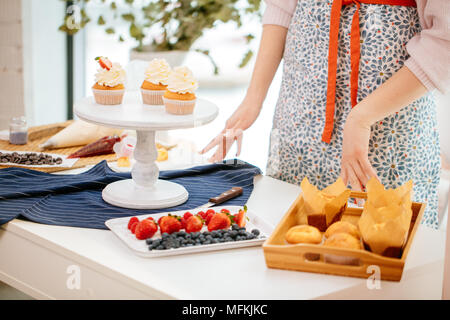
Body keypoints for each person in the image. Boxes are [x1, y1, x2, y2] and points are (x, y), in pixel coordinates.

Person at [201, 0, 450, 228]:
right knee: (291, 246)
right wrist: (252, 100)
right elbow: (281, 7)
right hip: (299, 123)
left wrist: (362, 118)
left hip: (388, 133)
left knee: (381, 251)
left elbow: (444, 39)